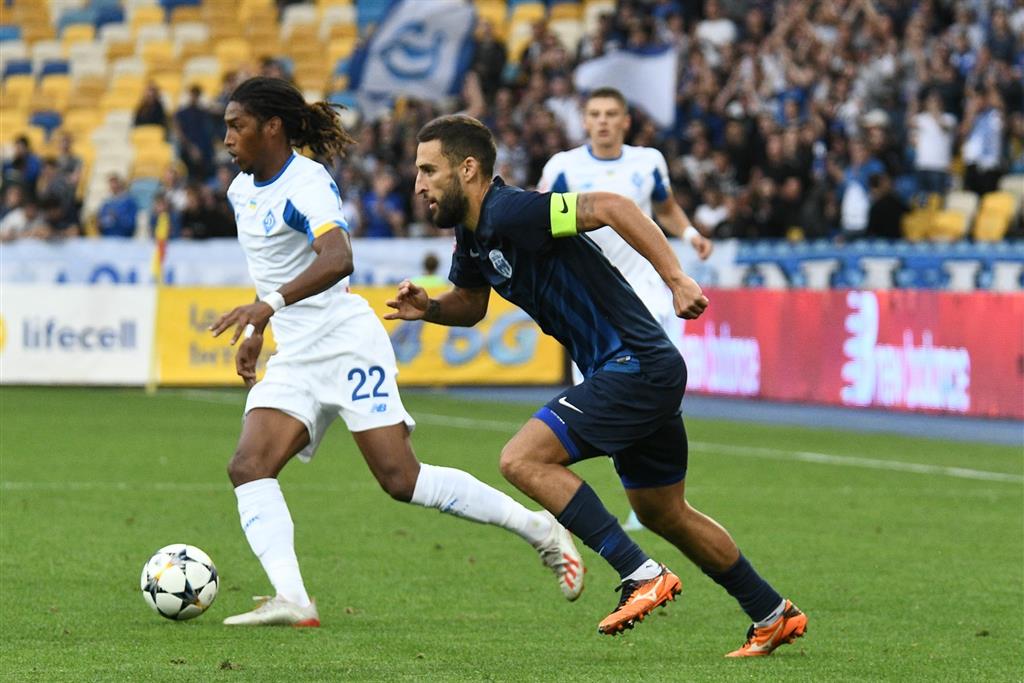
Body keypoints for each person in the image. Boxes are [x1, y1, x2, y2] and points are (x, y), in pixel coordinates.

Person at [386, 114, 806, 656]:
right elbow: (469, 303)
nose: (418, 185)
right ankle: (772, 613)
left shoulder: (512, 211)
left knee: (522, 459)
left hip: (634, 365)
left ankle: (640, 573)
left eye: (428, 170)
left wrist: (676, 279)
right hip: (634, 370)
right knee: (662, 511)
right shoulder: (472, 236)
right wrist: (430, 308)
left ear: (468, 169)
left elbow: (612, 207)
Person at [208, 77, 583, 627]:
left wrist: (266, 307)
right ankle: (294, 598)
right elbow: (274, 271)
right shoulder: (241, 190)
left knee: (400, 479)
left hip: (345, 343)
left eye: (236, 126)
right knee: (248, 466)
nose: (226, 139)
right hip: (296, 351)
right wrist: (259, 327)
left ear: (271, 127)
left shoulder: (306, 183)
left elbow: (337, 258)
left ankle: (539, 527)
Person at [538, 87, 713, 531]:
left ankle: (651, 495)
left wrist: (690, 234)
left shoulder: (648, 161)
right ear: (585, 121)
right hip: (592, 303)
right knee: (599, 401)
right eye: (595, 114)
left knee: (653, 392)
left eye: (611, 113)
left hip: (647, 295)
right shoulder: (562, 167)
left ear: (625, 121)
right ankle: (576, 492)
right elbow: (537, 218)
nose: (603, 121)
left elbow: (666, 208)